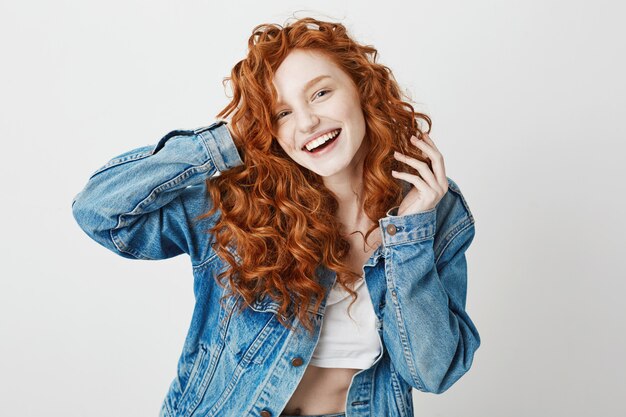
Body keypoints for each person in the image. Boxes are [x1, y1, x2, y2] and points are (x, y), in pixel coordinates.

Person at [71, 17, 481, 417]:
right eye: (281, 113)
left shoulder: (431, 210)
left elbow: (433, 373)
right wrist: (226, 140)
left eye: (320, 93)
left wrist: (409, 235)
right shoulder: (237, 207)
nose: (307, 122)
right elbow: (100, 211)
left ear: (360, 88)